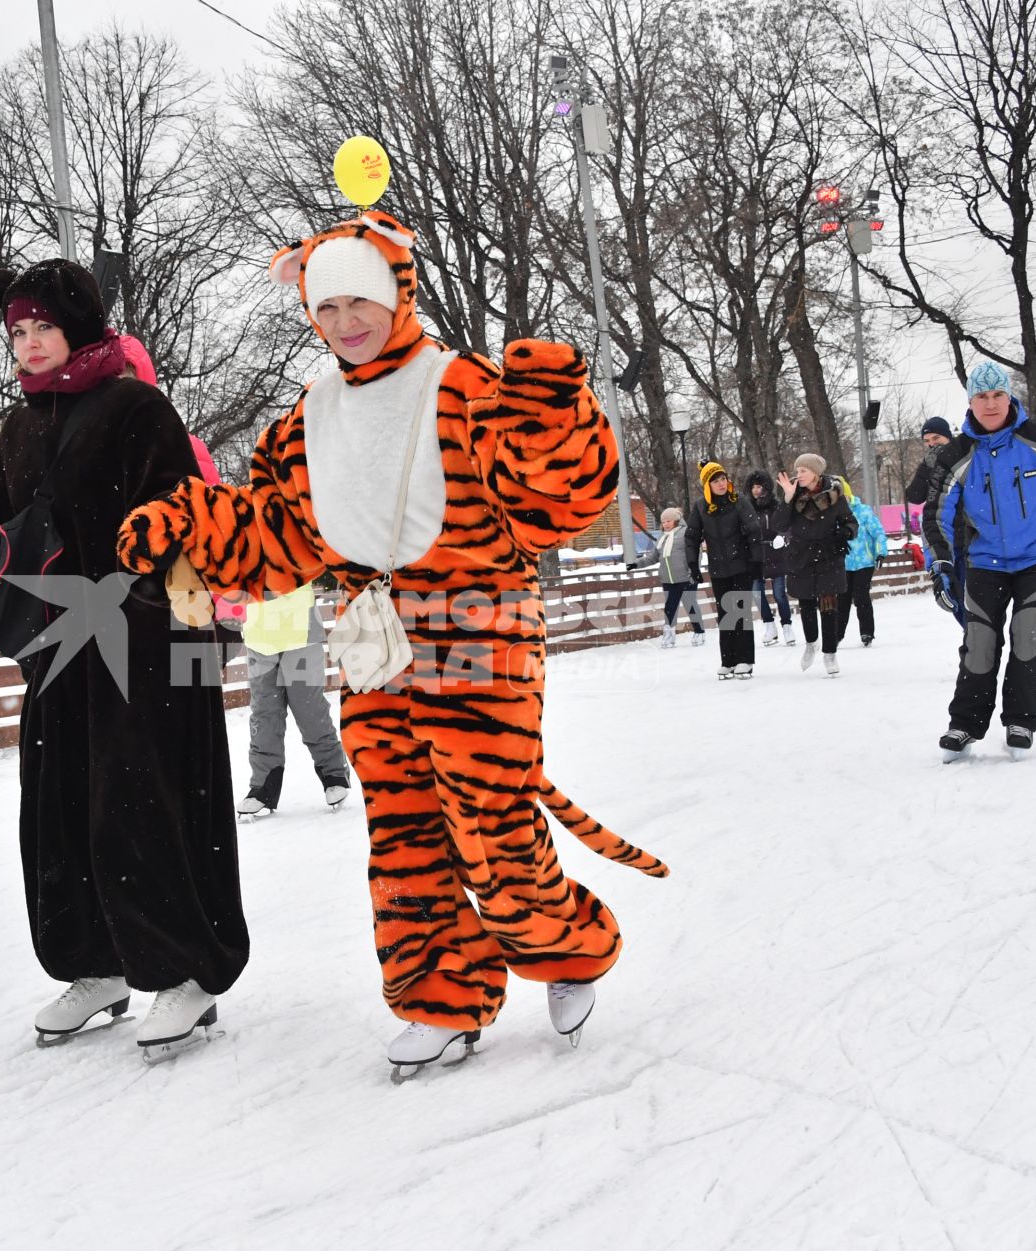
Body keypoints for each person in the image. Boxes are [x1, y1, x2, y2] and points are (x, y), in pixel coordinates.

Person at [119, 210, 666, 1078]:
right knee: (405, 833)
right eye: (325, 304)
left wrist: (555, 415)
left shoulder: (465, 385)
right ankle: (442, 996)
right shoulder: (307, 417)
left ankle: (565, 948)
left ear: (397, 295)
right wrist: (189, 523)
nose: (345, 321)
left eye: (359, 300)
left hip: (481, 623)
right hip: (376, 635)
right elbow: (277, 536)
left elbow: (551, 509)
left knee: (486, 820)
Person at [0, 258, 247, 1057]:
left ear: (80, 327)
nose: (27, 345)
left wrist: (175, 581)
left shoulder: (136, 408)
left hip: (145, 641)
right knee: (55, 803)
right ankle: (97, 963)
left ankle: (185, 972)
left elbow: (179, 510)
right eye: (16, 332)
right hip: (59, 648)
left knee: (144, 801)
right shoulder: (19, 427)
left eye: (42, 328)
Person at [925, 361, 1036, 760]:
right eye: (982, 396)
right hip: (984, 561)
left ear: (1009, 395)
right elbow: (936, 514)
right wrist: (942, 565)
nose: (991, 403)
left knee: (1027, 635)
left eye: (998, 394)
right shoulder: (956, 454)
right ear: (971, 402)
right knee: (979, 641)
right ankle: (964, 724)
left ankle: (1020, 719)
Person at [237, 582, 350, 817]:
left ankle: (334, 774)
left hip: (300, 633)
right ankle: (262, 787)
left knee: (309, 711)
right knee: (264, 715)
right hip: (259, 638)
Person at [773, 454, 855, 677]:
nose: (798, 475)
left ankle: (830, 653)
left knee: (828, 606)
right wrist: (787, 498)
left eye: (803, 471)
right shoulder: (794, 495)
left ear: (816, 474)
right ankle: (811, 643)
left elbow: (850, 522)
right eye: (797, 470)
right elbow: (779, 525)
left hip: (829, 554)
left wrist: (843, 533)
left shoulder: (835, 495)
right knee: (807, 604)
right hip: (801, 556)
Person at [691, 463, 759, 678]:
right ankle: (728, 660)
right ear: (707, 485)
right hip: (719, 568)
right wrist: (693, 564)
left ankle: (745, 660)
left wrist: (757, 562)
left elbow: (754, 531)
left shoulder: (739, 502)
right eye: (715, 480)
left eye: (723, 479)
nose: (721, 484)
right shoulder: (702, 507)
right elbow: (692, 536)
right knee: (725, 614)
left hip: (741, 565)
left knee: (739, 611)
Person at [837, 479, 890, 647]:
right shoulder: (832, 514)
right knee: (842, 599)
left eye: (842, 496)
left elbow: (878, 533)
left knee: (861, 596)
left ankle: (867, 632)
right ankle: (837, 634)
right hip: (843, 563)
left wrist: (880, 553)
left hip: (864, 562)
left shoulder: (863, 511)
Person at [744, 471, 794, 646]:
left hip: (776, 553)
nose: (756, 491)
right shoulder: (747, 508)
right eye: (753, 487)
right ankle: (769, 626)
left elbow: (787, 525)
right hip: (756, 556)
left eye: (759, 487)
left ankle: (787, 626)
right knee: (757, 594)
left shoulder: (776, 506)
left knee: (779, 593)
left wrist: (783, 536)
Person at [655, 507, 703, 647]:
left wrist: (694, 570)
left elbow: (695, 552)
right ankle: (669, 634)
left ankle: (699, 632)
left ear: (676, 520)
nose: (666, 524)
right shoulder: (662, 538)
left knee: (690, 605)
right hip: (668, 579)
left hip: (686, 577)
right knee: (670, 607)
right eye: (663, 522)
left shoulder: (685, 533)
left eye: (668, 521)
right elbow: (654, 556)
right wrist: (635, 564)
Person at [902, 417, 954, 506]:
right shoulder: (930, 462)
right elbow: (914, 497)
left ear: (948, 437)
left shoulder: (963, 456)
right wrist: (926, 467)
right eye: (927, 441)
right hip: (935, 517)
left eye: (936, 438)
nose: (931, 444)